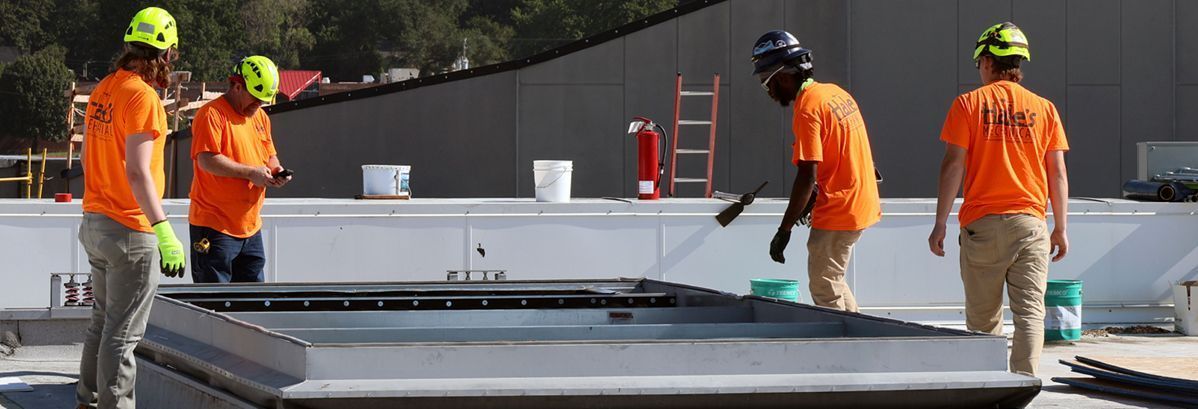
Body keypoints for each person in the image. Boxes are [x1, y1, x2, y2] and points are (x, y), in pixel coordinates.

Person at [928, 22, 1069, 376]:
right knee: (1030, 314)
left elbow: (952, 166)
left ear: (988, 62)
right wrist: (1061, 228)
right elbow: (1058, 174)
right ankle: (1024, 385)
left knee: (982, 318)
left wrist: (940, 222)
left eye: (979, 63)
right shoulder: (1045, 109)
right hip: (1031, 226)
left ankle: (987, 386)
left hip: (982, 227)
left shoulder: (968, 105)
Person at [77, 6, 184, 409]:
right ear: (166, 54)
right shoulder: (143, 97)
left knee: (101, 325)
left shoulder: (105, 88)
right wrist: (164, 231)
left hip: (95, 223)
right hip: (128, 230)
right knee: (121, 337)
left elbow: (88, 160)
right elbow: (139, 173)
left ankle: (85, 402)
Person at [754, 30, 882, 312]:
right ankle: (862, 339)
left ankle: (845, 351)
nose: (768, 91)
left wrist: (784, 229)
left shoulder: (808, 108)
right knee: (832, 279)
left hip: (839, 209)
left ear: (783, 76)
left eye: (767, 83)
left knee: (824, 287)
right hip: (860, 202)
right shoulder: (835, 93)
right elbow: (849, 155)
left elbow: (807, 174)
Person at [188, 55, 289, 283]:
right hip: (215, 227)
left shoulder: (260, 117)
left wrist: (276, 171)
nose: (258, 105)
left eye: (263, 101)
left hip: (250, 227)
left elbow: (269, 155)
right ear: (236, 86)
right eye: (255, 99)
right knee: (214, 305)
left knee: (252, 301)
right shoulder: (212, 114)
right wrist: (251, 173)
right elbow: (207, 160)